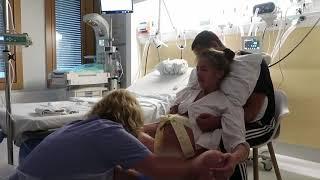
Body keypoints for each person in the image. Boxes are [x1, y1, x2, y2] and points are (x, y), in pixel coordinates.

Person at [10, 89, 230, 180]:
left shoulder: (82, 125)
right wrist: (198, 163)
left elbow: (112, 171)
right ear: (131, 118)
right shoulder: (111, 132)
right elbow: (158, 169)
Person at [144, 49, 249, 180]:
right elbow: (167, 119)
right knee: (131, 131)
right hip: (159, 143)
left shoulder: (227, 104)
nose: (198, 73)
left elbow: (239, 144)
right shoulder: (189, 93)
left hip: (185, 158)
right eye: (197, 69)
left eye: (204, 69)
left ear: (219, 74)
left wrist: (234, 158)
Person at [191, 30, 275, 179]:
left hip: (260, 124)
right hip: (229, 117)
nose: (202, 61)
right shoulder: (223, 68)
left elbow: (251, 113)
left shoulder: (249, 65)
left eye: (203, 54)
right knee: (201, 138)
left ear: (214, 45)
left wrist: (216, 122)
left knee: (225, 141)